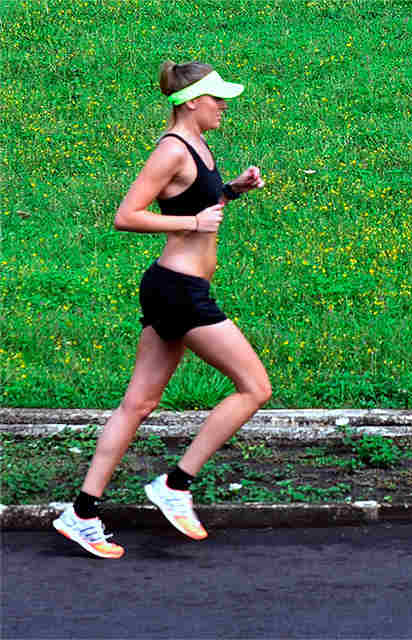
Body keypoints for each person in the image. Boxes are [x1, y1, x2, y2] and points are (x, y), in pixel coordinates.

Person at [53, 61, 271, 559]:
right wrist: (194, 223)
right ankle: (175, 484)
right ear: (191, 101)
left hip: (170, 288)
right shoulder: (171, 150)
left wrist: (232, 190)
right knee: (255, 387)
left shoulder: (198, 146)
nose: (223, 105)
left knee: (139, 404)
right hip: (180, 291)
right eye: (216, 97)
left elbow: (197, 202)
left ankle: (82, 512)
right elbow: (126, 215)